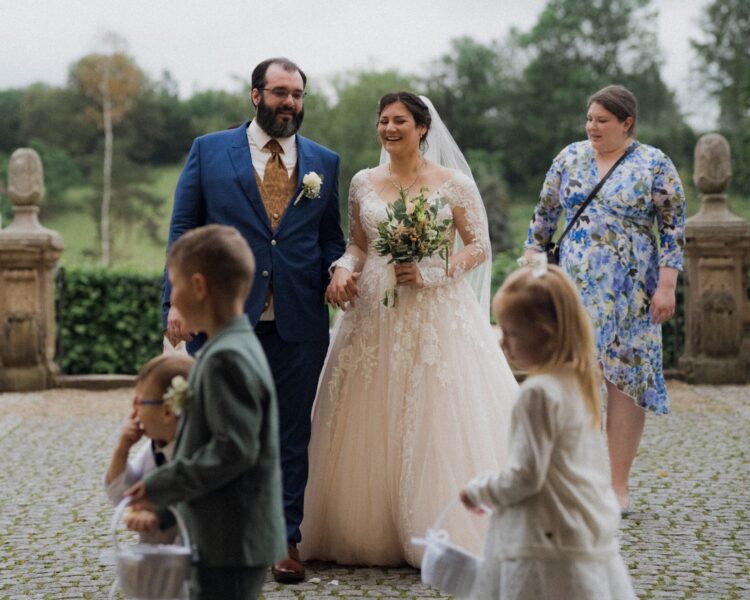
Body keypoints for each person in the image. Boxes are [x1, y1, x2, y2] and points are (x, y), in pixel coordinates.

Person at [299, 92, 517, 567]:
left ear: (422, 128)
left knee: (437, 409)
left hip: (436, 310)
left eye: (399, 120)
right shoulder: (361, 182)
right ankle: (364, 527)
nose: (389, 128)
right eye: (383, 121)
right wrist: (341, 269)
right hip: (374, 309)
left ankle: (438, 527)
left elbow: (479, 246)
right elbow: (358, 244)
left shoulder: (453, 183)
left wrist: (433, 272)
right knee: (368, 408)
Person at [161, 57, 345, 582]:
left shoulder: (323, 163)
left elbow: (330, 238)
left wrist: (338, 268)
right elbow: (183, 232)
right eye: (281, 92)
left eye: (298, 95)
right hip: (222, 320)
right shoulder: (209, 150)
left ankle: (284, 539)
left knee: (289, 434)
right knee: (222, 429)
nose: (290, 103)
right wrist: (176, 301)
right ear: (255, 95)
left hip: (297, 322)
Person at [524, 84, 685, 515]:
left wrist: (667, 286)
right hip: (575, 288)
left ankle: (617, 487)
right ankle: (574, 479)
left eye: (602, 121)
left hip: (634, 291)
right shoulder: (569, 158)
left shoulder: (654, 164)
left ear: (626, 123)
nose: (592, 127)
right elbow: (541, 223)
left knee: (624, 384)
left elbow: (672, 230)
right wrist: (533, 273)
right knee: (574, 380)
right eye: (589, 119)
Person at [126, 224, 288, 600]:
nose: (174, 300)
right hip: (231, 535)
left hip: (230, 539)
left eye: (175, 286)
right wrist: (165, 513)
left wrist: (160, 485)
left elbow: (233, 450)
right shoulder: (237, 344)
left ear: (199, 287)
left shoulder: (223, 359)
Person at [461, 256, 636, 600]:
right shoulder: (579, 382)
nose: (502, 343)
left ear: (546, 334)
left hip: (545, 538)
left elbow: (526, 476)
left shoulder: (537, 394)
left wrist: (480, 490)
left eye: (512, 333)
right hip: (580, 526)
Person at [104, 353, 194, 544]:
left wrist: (157, 515)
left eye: (140, 402)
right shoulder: (153, 448)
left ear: (168, 411)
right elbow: (120, 493)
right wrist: (122, 449)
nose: (134, 412)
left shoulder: (194, 455)